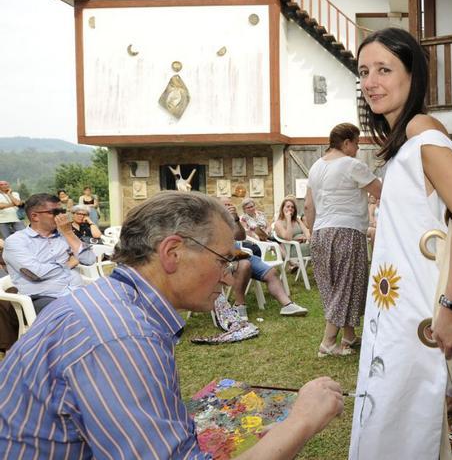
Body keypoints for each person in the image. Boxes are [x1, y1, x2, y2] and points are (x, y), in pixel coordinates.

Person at [0, 191, 343, 458]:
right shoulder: (124, 336)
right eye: (223, 260)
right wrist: (303, 420)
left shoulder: (117, 302)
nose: (227, 277)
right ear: (172, 252)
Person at [349, 27, 452, 460]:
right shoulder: (404, 142)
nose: (371, 82)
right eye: (364, 71)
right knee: (399, 417)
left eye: (384, 70)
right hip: (393, 307)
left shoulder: (423, 129)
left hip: (418, 311)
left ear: (413, 75)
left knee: (404, 418)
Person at [304, 123, 382, 357]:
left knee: (333, 286)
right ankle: (328, 343)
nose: (358, 148)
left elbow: (308, 205)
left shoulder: (315, 167)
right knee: (347, 284)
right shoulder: (352, 165)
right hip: (346, 230)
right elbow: (382, 191)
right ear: (346, 142)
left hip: (320, 231)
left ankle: (348, 335)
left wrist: (311, 231)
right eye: (357, 143)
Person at [2, 193, 96, 314]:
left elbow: (89, 260)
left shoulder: (64, 235)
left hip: (75, 291)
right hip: (43, 297)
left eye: (62, 211)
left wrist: (69, 233)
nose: (61, 216)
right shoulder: (16, 241)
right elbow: (36, 274)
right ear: (35, 216)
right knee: (78, 313)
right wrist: (68, 264)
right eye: (55, 212)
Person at [221, 197, 308, 318]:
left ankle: (287, 305)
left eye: (230, 204)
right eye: (225, 204)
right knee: (245, 264)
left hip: (238, 252)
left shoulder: (233, 220)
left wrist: (235, 219)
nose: (228, 207)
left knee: (271, 272)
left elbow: (240, 236)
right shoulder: (212, 220)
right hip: (222, 256)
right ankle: (239, 306)